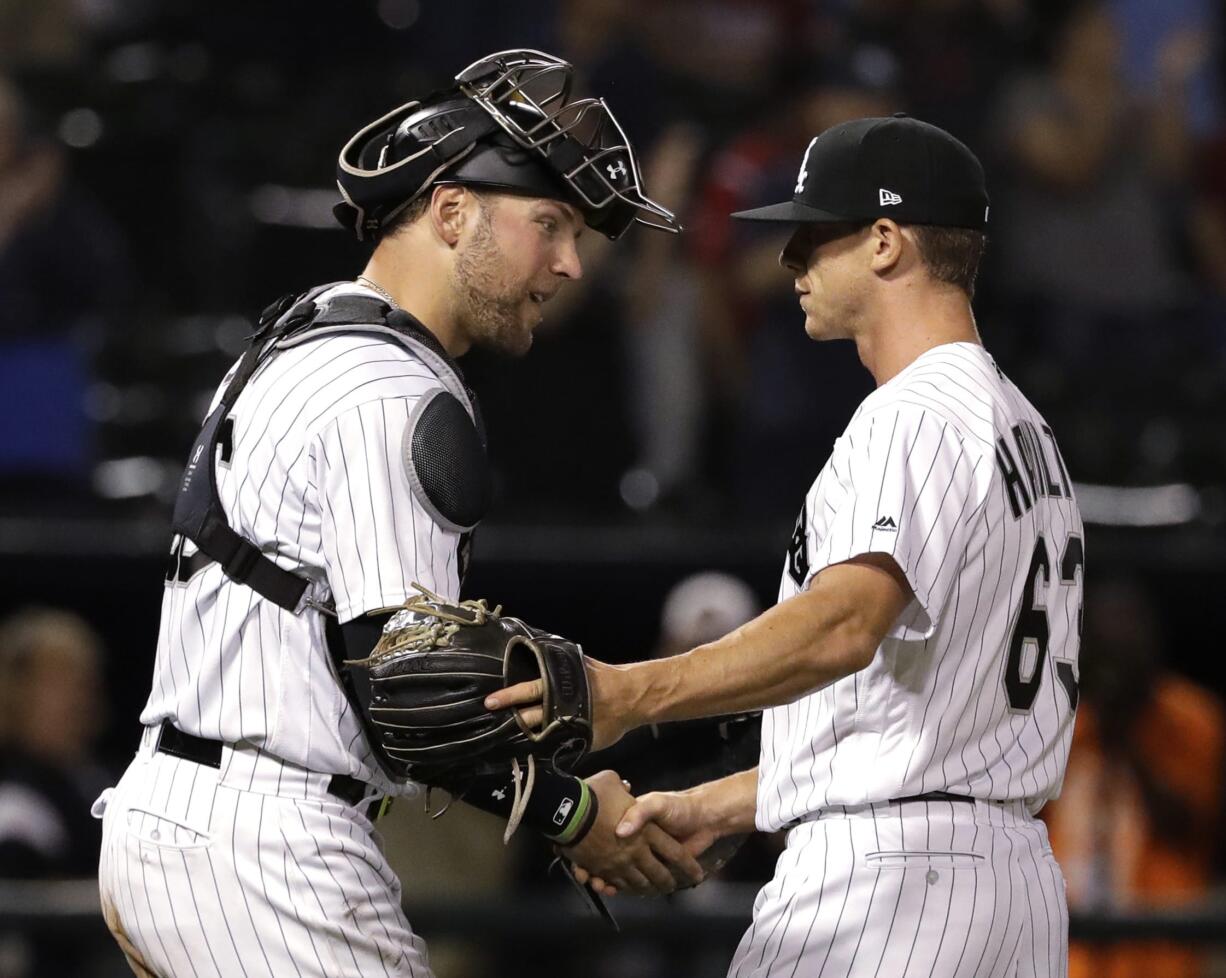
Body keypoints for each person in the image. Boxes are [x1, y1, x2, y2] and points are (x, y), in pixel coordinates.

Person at [93, 49, 699, 978]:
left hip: (183, 812)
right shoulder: (390, 387)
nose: (572, 265)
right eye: (551, 225)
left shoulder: (302, 331)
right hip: (267, 846)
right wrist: (575, 815)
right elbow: (413, 691)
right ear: (452, 213)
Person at [493, 114, 1085, 977]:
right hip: (1007, 891)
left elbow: (844, 626)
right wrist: (720, 805)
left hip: (886, 891)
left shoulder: (912, 416)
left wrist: (629, 691)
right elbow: (908, 726)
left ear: (885, 242)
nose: (790, 259)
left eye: (814, 233)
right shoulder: (1025, 432)